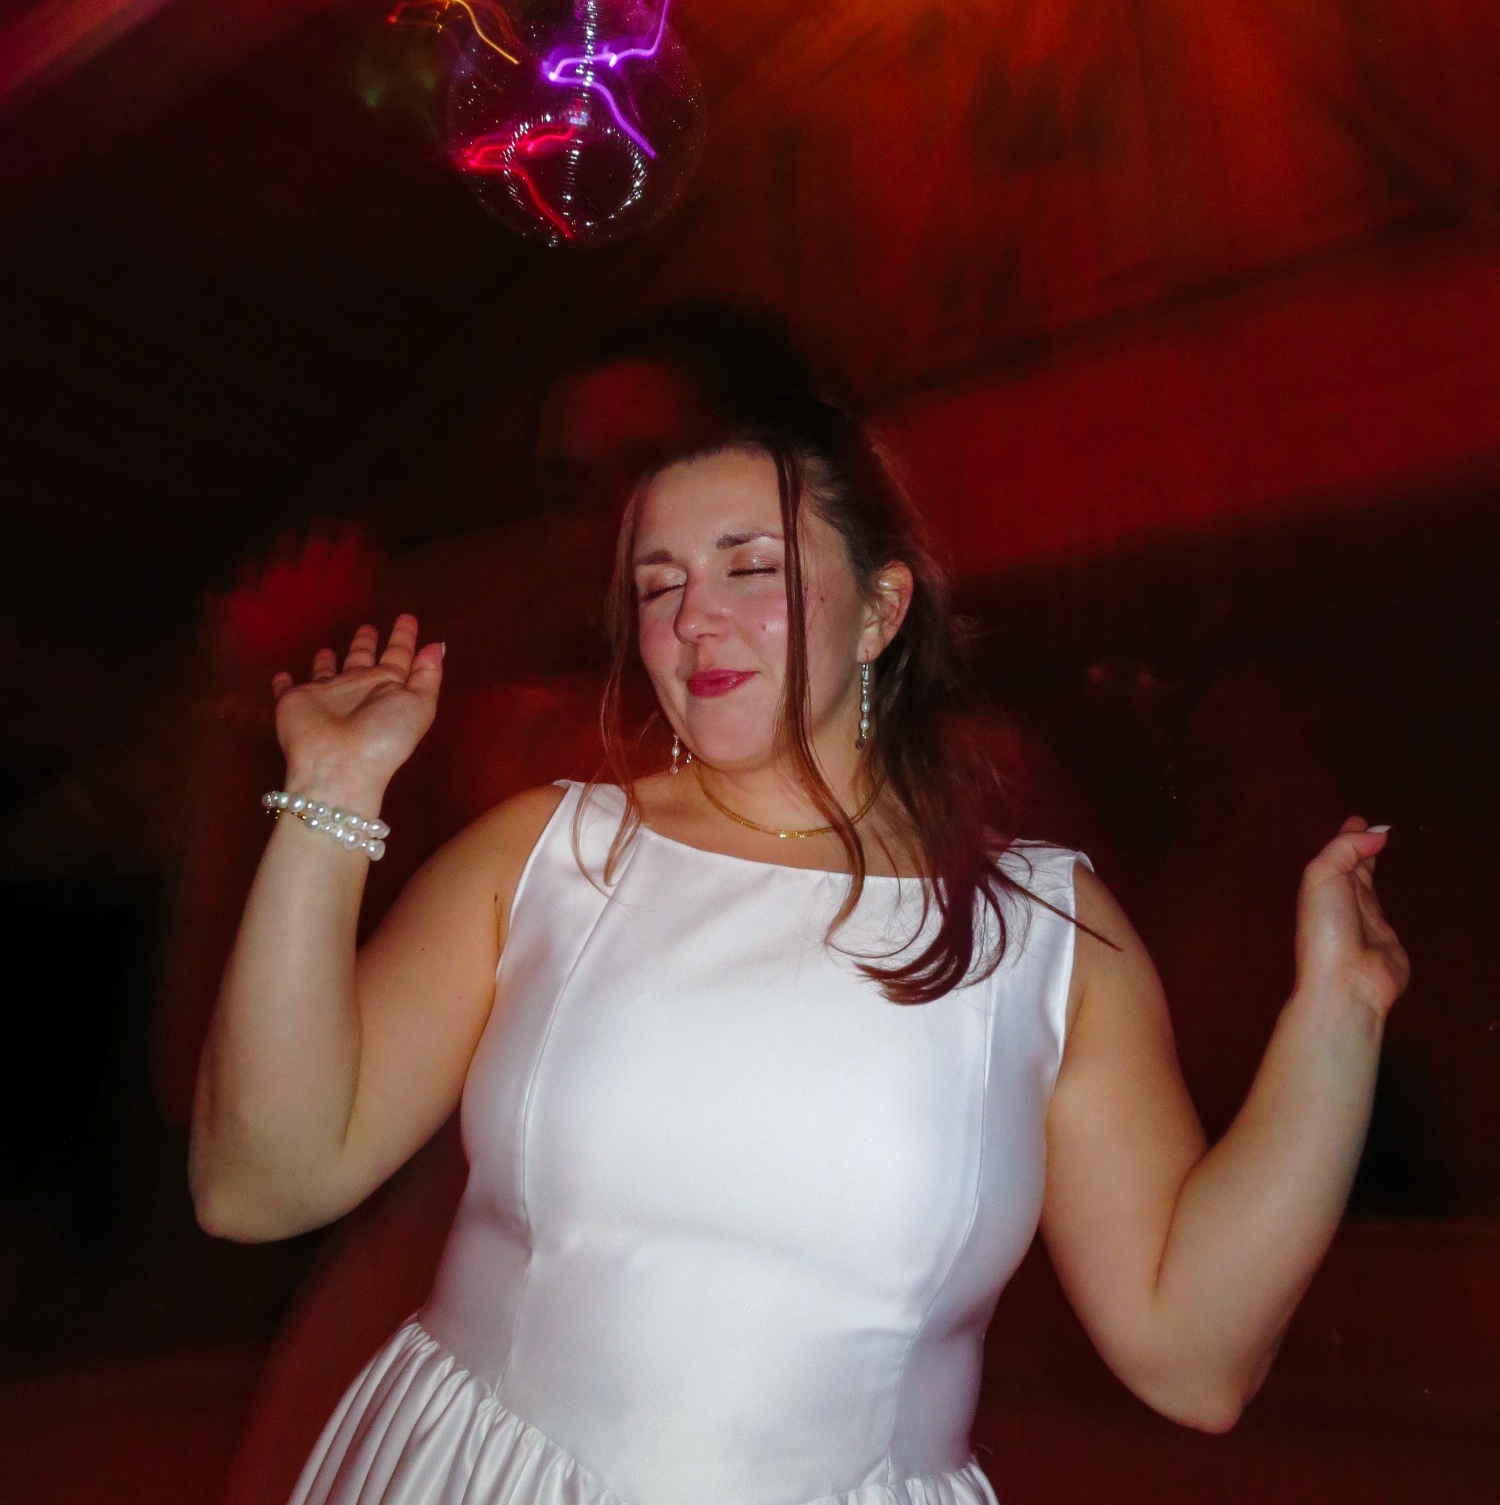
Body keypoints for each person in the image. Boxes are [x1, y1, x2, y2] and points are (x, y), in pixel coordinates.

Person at [191, 392, 1409, 1505]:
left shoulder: (1045, 933)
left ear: (881, 609)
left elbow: (1192, 1356)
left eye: (751, 564)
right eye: (659, 583)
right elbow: (261, 1181)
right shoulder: (547, 853)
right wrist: (329, 796)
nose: (693, 617)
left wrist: (1339, 1015)